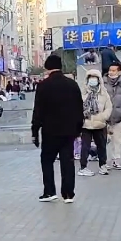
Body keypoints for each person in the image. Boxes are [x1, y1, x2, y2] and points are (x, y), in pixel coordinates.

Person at [31, 54, 83, 203]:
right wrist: (78, 129)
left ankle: (49, 191)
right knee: (67, 161)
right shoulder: (72, 85)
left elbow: (38, 111)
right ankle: (68, 194)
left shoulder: (43, 86)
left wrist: (35, 131)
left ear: (47, 67)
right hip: (69, 131)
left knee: (47, 160)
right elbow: (79, 108)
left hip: (50, 131)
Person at [79, 69, 113, 177]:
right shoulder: (83, 93)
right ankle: (83, 167)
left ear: (99, 80)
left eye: (94, 77)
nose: (92, 80)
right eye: (90, 77)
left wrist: (103, 117)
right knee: (85, 146)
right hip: (86, 124)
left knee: (101, 146)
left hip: (100, 124)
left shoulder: (104, 94)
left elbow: (109, 107)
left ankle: (102, 165)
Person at [103, 63, 121, 170]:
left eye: (114, 70)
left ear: (119, 72)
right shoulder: (103, 83)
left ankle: (117, 160)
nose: (111, 72)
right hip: (105, 117)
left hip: (117, 116)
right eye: (110, 70)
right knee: (105, 140)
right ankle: (105, 161)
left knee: (117, 140)